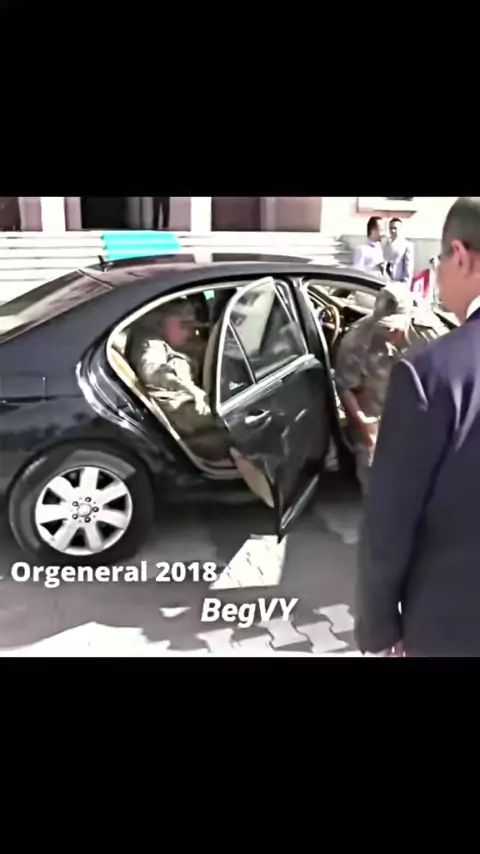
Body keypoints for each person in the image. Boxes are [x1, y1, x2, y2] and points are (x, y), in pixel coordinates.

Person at [355, 197, 480, 657]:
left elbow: (389, 523)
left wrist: (380, 629)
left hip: (453, 627)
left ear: (460, 256)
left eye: (440, 259)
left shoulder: (431, 375)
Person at [335, 282, 448, 494]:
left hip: (418, 410)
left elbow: (451, 371)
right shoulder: (357, 339)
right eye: (385, 326)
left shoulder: (430, 332)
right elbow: (345, 387)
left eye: (396, 326)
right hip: (375, 413)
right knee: (372, 469)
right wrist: (364, 425)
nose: (391, 332)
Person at [126, 299, 232, 463]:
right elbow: (154, 372)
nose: (190, 331)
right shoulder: (150, 346)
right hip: (182, 411)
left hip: (191, 403)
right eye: (183, 325)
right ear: (160, 323)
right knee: (243, 417)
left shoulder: (172, 342)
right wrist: (191, 389)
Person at [384, 217, 414, 286]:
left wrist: (406, 284)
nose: (393, 231)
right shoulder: (385, 244)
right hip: (385, 281)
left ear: (400, 229)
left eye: (395, 228)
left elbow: (408, 265)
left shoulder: (407, 245)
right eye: (391, 228)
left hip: (398, 282)